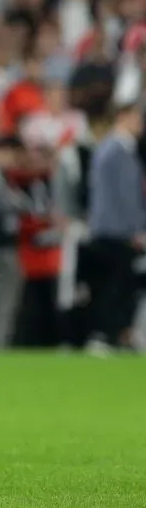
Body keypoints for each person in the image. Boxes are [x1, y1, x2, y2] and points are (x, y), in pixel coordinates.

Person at [86, 102, 146, 355]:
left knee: (116, 285)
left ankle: (111, 335)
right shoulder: (117, 150)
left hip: (109, 228)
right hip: (117, 230)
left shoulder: (110, 148)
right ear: (122, 117)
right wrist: (138, 229)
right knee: (117, 285)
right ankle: (106, 335)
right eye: (137, 118)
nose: (141, 124)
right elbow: (127, 196)